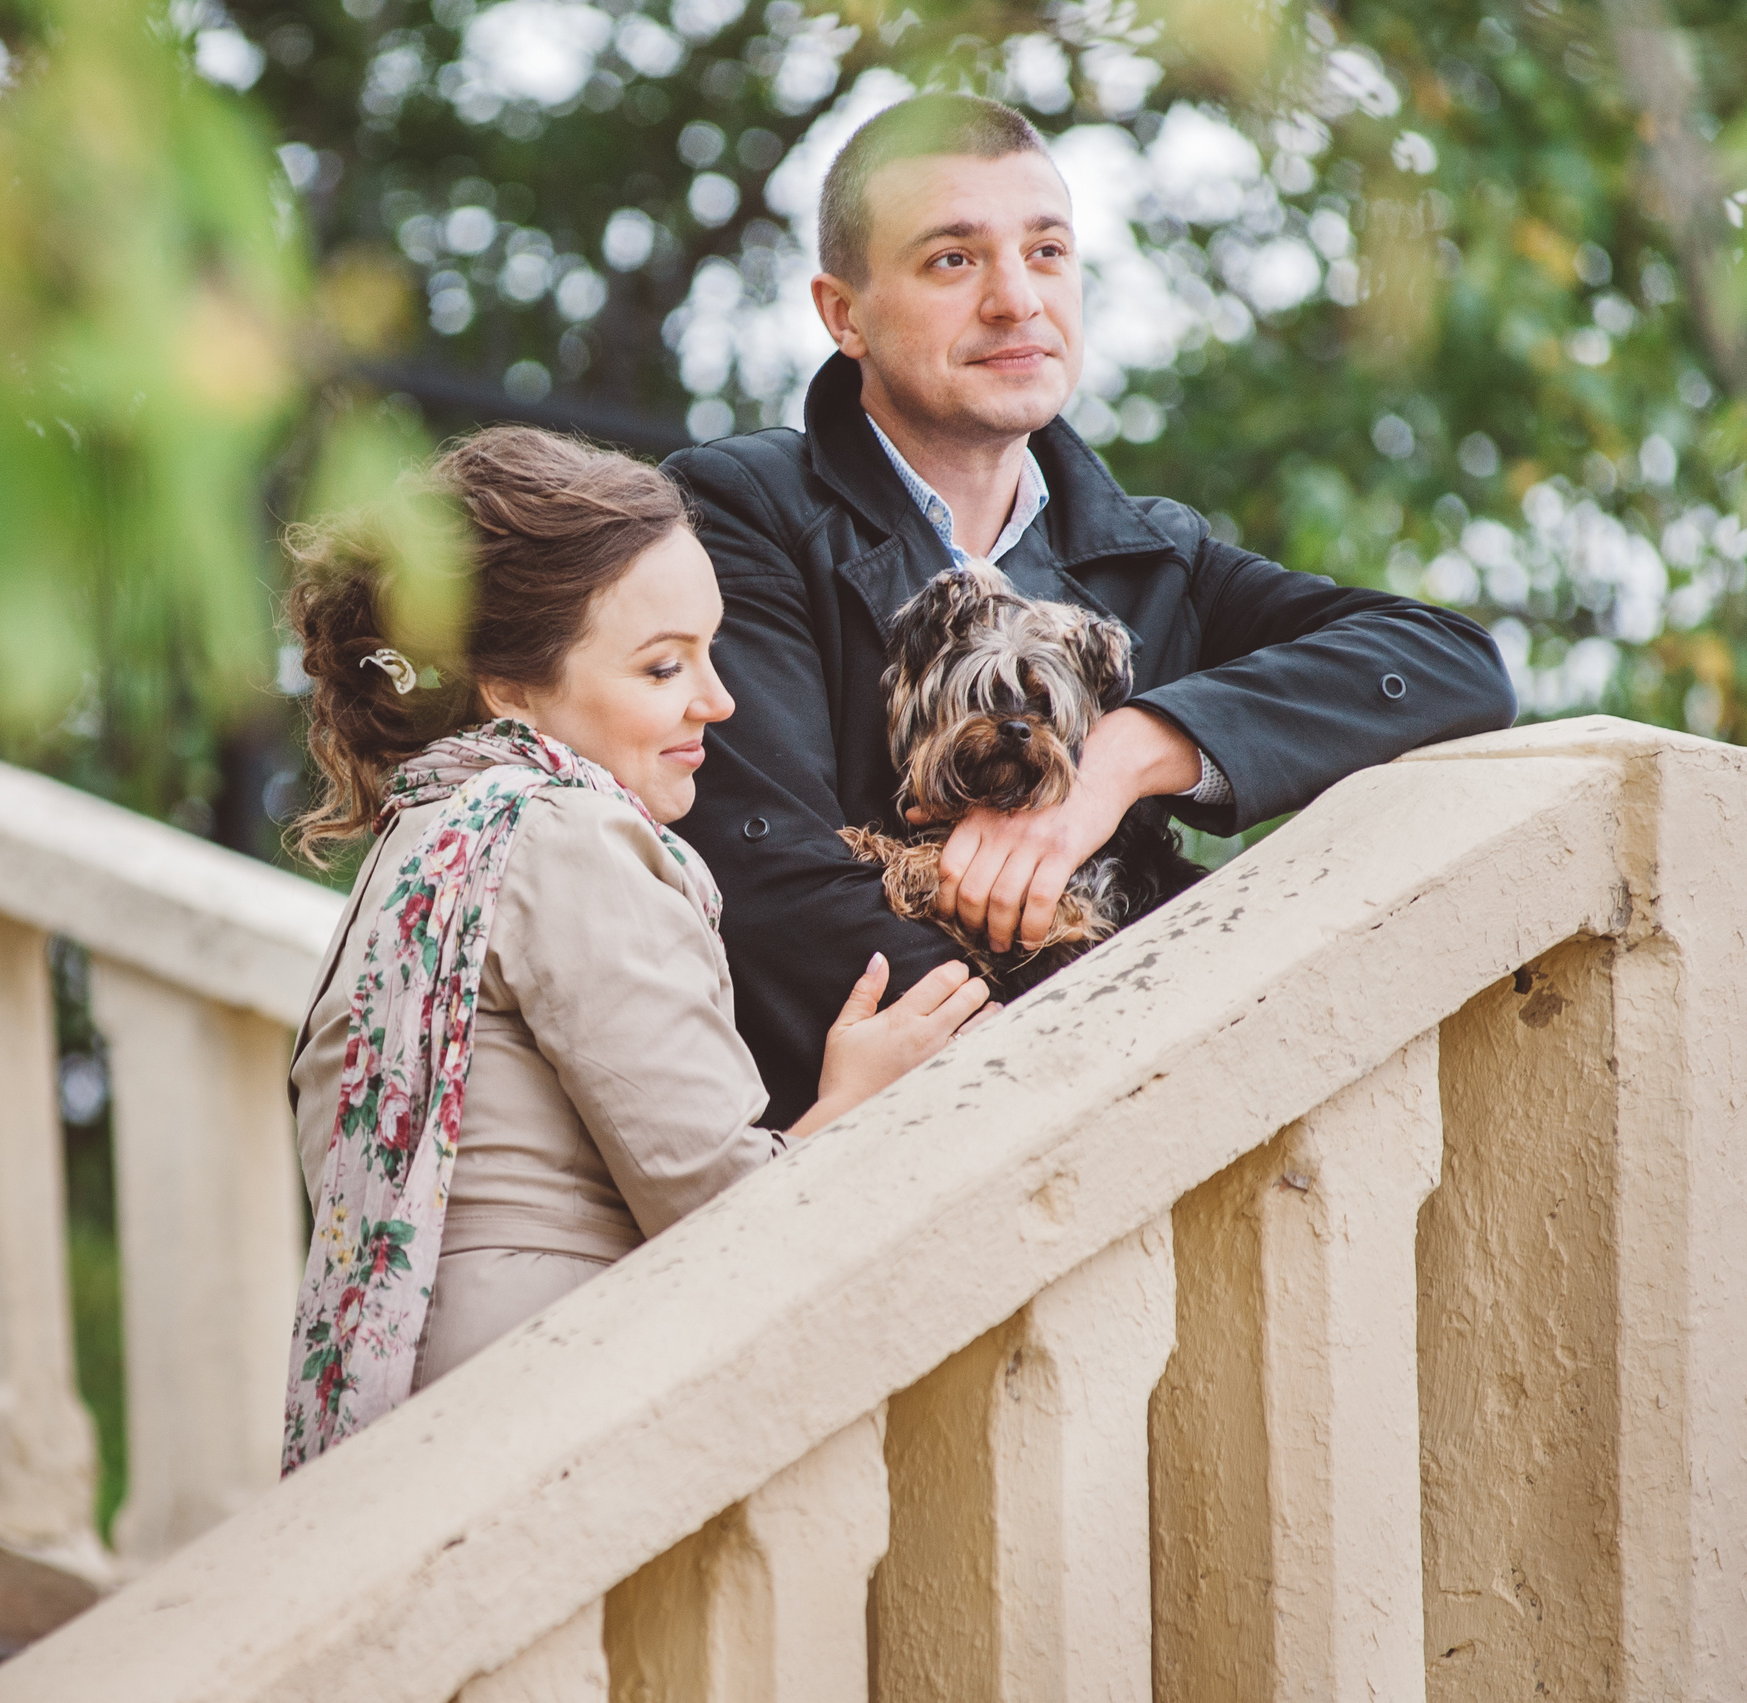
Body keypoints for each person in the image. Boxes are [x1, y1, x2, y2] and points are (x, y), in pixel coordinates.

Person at [664, 93, 1518, 1125]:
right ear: (843, 313)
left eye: (1048, 251)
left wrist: (1127, 753)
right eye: (953, 259)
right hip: (891, 1137)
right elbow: (767, 870)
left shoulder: (1152, 553)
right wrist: (1081, 1071)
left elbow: (1449, 663)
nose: (1016, 299)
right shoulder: (740, 508)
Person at [278, 426, 989, 1468]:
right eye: (664, 666)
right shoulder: (565, 831)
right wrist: (856, 1092)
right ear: (507, 687)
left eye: (712, 650)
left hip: (434, 1389)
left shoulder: (427, 842)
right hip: (544, 1399)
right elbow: (719, 1202)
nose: (718, 699)